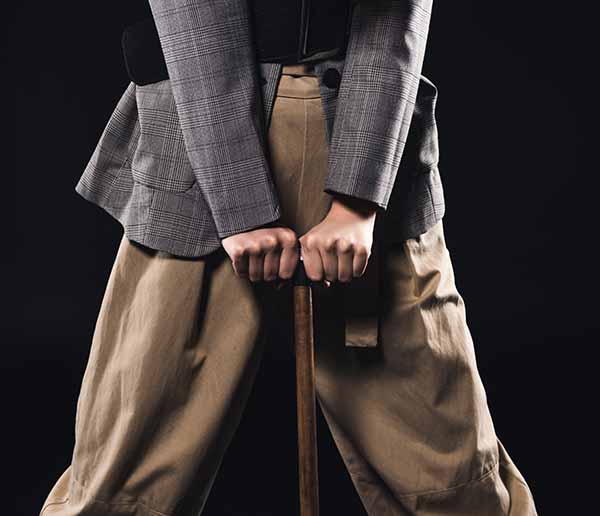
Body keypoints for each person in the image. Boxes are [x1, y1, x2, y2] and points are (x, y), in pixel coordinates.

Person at [40, 1, 539, 514]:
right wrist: (239, 200)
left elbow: (396, 16)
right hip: (202, 139)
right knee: (124, 475)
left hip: (363, 119)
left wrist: (358, 198)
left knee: (453, 478)